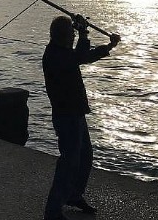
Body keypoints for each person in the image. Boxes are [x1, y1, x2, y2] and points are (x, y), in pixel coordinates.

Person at [42, 15, 120, 220]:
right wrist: (84, 33)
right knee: (69, 161)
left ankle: (74, 195)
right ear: (63, 35)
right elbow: (80, 56)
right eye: (71, 33)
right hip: (66, 114)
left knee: (85, 156)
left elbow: (84, 56)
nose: (73, 36)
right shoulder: (55, 54)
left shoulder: (62, 51)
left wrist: (109, 46)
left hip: (76, 112)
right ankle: (52, 210)